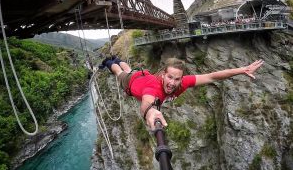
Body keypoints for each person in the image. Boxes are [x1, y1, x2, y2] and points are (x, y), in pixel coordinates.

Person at [99, 56, 264, 130]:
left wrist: (243, 70)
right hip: (131, 82)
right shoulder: (153, 89)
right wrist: (150, 112)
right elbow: (146, 104)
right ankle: (109, 61)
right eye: (169, 77)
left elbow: (212, 76)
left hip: (143, 74)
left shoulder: (183, 82)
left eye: (176, 79)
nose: (172, 83)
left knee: (129, 68)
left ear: (181, 78)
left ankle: (116, 58)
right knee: (120, 72)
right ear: (163, 75)